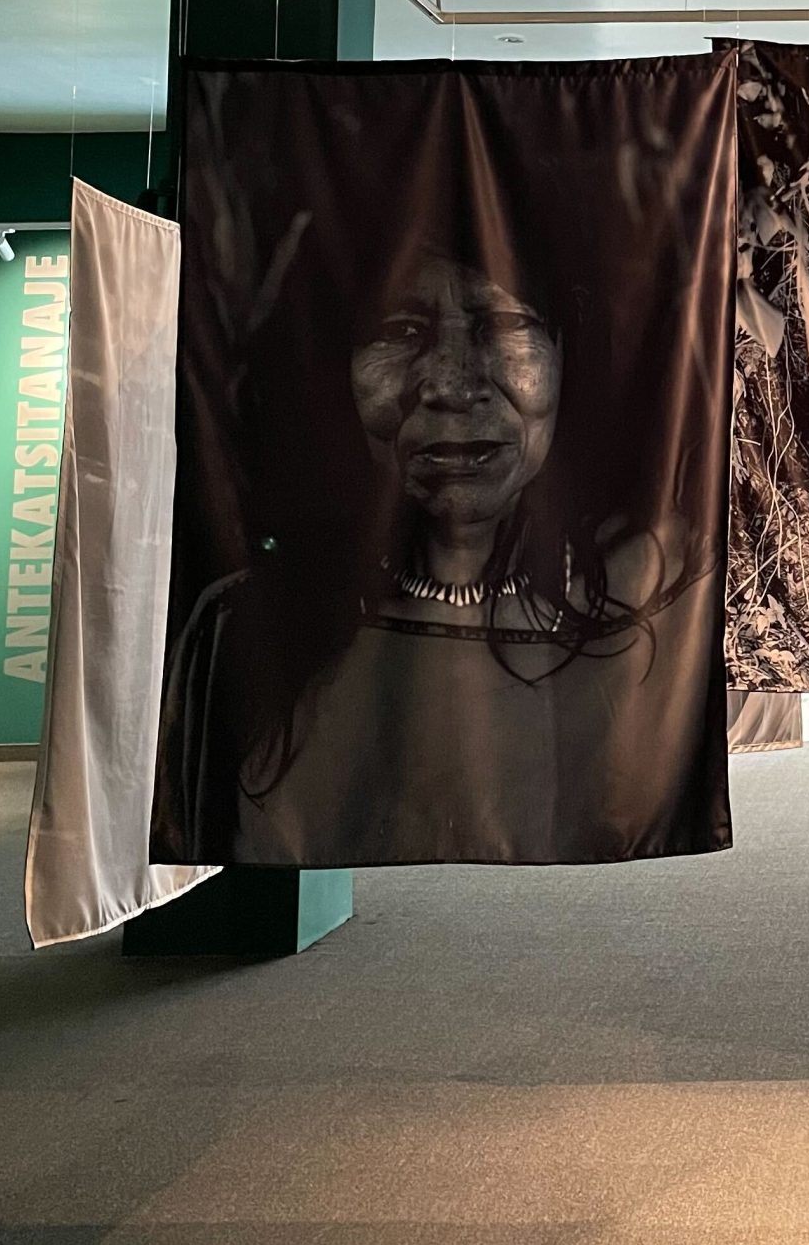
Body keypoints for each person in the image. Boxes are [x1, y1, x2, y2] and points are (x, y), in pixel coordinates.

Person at [156, 226, 718, 865]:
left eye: (502, 326)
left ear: (569, 353)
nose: (451, 385)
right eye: (400, 332)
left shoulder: (661, 590)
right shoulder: (238, 633)